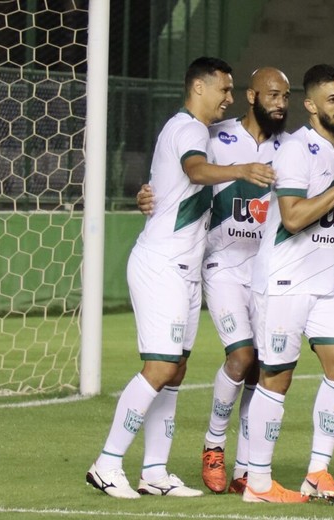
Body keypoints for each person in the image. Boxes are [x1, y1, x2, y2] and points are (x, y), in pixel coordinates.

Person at [85, 56, 276, 500]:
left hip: (185, 268)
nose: (229, 98)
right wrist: (243, 169)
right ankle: (108, 462)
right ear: (199, 88)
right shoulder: (189, 129)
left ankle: (155, 471)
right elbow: (194, 171)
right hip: (162, 265)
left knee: (175, 370)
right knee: (160, 367)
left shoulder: (191, 131)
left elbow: (171, 184)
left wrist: (149, 194)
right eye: (224, 90)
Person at [243, 63, 334, 504]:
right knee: (276, 378)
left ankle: (318, 471)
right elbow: (297, 216)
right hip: (285, 281)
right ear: (311, 105)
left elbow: (333, 213)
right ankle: (258, 484)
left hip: (325, 281)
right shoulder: (298, 150)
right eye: (333, 99)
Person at [198, 67, 291, 495]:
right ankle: (213, 446)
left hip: (266, 270)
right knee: (241, 356)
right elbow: (185, 173)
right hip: (223, 265)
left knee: (260, 369)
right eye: (273, 95)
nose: (280, 104)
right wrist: (150, 194)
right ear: (252, 96)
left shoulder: (290, 148)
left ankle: (242, 469)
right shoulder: (217, 136)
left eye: (286, 97)